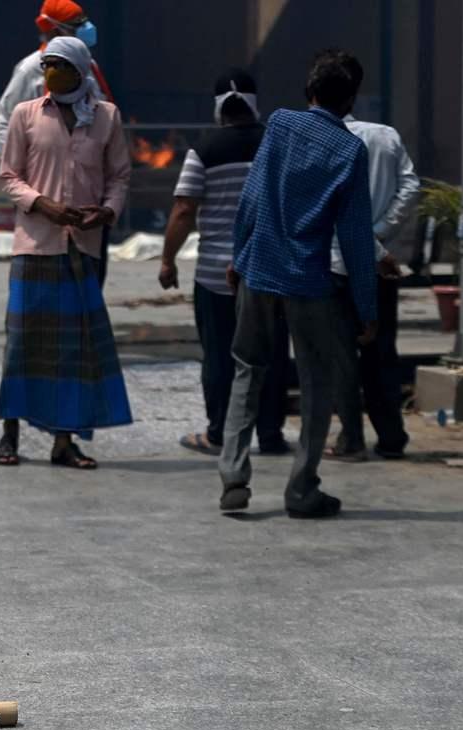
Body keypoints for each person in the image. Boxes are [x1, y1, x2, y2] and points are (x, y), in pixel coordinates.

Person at [218, 49, 380, 518]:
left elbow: (253, 196)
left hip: (260, 269)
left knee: (247, 369)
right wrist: (366, 307)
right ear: (350, 101)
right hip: (309, 280)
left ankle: (233, 478)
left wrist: (238, 254)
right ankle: (301, 488)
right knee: (316, 381)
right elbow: (354, 239)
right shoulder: (351, 150)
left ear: (309, 92)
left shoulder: (281, 125)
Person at [0, 36, 133, 470]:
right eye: (47, 65)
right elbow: (9, 176)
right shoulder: (26, 114)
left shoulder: (106, 117)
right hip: (36, 244)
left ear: (79, 70)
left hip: (83, 245)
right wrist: (43, 204)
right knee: (22, 343)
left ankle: (63, 441)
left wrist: (106, 212)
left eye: (59, 65)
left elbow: (120, 176)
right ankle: (9, 435)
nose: (50, 72)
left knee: (72, 348)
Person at [160, 70, 291, 458]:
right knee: (271, 354)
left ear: (218, 107)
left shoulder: (203, 149)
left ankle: (219, 434)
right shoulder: (278, 145)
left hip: (215, 274)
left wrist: (168, 260)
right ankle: (270, 435)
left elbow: (184, 209)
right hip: (271, 271)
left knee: (219, 356)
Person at [323, 55, 420, 462]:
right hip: (379, 265)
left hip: (334, 266)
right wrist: (378, 237)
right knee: (381, 352)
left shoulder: (321, 141)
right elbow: (411, 188)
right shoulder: (386, 136)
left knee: (341, 353)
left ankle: (351, 438)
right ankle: (391, 436)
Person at [0, 0, 113, 154]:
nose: (87, 28)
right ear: (55, 32)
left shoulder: (88, 65)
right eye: (77, 25)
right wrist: (21, 167)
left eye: (85, 21)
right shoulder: (31, 69)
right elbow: (3, 122)